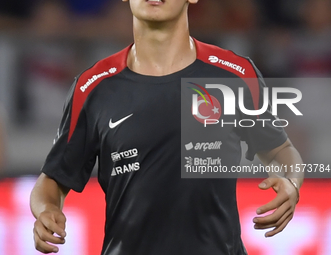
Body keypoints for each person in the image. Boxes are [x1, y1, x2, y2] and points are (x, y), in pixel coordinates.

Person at [30, 0, 304, 254]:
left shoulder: (234, 75)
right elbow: (52, 180)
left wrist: (291, 182)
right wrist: (46, 210)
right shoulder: (92, 87)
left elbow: (282, 150)